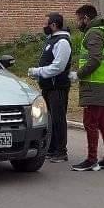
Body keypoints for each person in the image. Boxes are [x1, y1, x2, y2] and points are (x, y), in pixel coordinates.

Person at [70, 4, 104, 171]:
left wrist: (79, 74)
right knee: (103, 122)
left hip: (94, 85)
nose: (77, 23)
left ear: (86, 18)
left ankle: (92, 160)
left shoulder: (93, 33)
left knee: (90, 122)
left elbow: (95, 59)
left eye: (78, 19)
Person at [28, 13, 72, 163]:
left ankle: (60, 150)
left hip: (57, 87)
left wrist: (38, 71)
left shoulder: (62, 42)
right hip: (48, 86)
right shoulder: (52, 40)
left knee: (58, 119)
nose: (44, 26)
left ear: (53, 25)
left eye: (45, 23)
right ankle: (52, 149)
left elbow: (58, 67)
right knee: (50, 119)